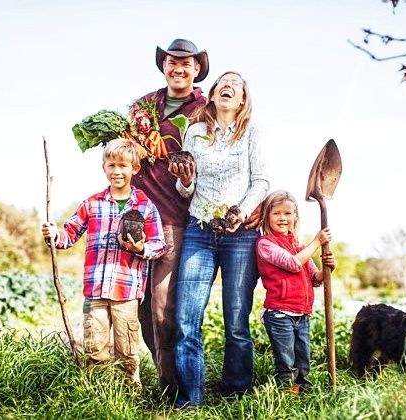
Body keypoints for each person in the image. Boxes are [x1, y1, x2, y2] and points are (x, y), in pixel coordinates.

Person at [169, 71, 270, 408]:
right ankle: (190, 400)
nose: (229, 86)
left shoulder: (252, 131)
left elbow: (261, 181)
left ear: (242, 100)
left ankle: (236, 394)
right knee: (186, 319)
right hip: (199, 230)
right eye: (223, 83)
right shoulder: (195, 133)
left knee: (237, 319)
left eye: (237, 85)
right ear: (211, 95)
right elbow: (186, 189)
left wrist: (241, 211)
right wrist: (184, 180)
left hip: (239, 234)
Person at [41, 138, 165, 386]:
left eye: (123, 166)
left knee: (126, 349)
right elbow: (70, 234)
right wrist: (54, 235)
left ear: (134, 169)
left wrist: (141, 248)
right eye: (111, 165)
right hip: (95, 290)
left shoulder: (145, 207)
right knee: (95, 347)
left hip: (126, 291)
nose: (117, 171)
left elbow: (159, 244)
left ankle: (129, 396)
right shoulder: (92, 204)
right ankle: (98, 395)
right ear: (104, 168)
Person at [132, 38, 209, 395]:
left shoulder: (204, 109)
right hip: (135, 214)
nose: (178, 68)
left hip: (173, 216)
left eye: (186, 63)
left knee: (164, 306)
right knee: (141, 305)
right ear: (164, 66)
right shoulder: (144, 105)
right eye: (172, 62)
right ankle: (161, 374)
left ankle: (174, 387)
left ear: (196, 69)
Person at [256, 190, 336, 393]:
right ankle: (284, 398)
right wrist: (317, 242)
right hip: (280, 313)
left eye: (288, 213)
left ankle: (304, 394)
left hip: (302, 313)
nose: (283, 218)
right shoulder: (266, 244)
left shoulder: (298, 246)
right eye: (277, 213)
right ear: (267, 217)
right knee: (286, 362)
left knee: (303, 361)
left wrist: (328, 269)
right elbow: (292, 263)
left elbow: (315, 279)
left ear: (295, 218)